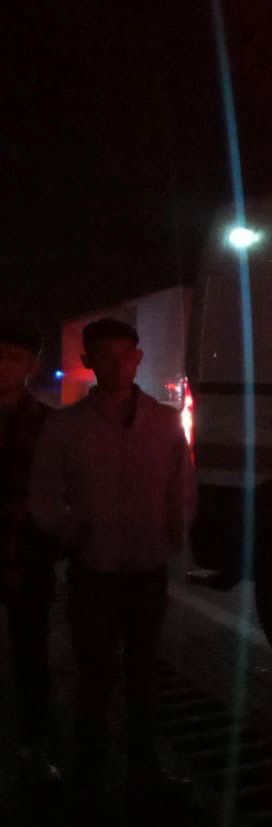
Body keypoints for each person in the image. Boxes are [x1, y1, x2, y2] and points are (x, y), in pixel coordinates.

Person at [29, 317, 196, 812]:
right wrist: (67, 531)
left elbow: (182, 484)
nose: (117, 364)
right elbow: (43, 492)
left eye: (125, 354)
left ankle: (142, 773)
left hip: (146, 569)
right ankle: (91, 776)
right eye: (104, 355)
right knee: (94, 677)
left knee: (144, 675)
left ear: (137, 359)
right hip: (94, 570)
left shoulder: (164, 422)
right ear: (89, 361)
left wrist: (175, 530)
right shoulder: (67, 426)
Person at [0, 316, 61, 788]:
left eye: (14, 357)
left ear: (31, 365)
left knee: (32, 656)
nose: (3, 366)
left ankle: (33, 746)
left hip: (28, 558)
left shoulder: (49, 424)